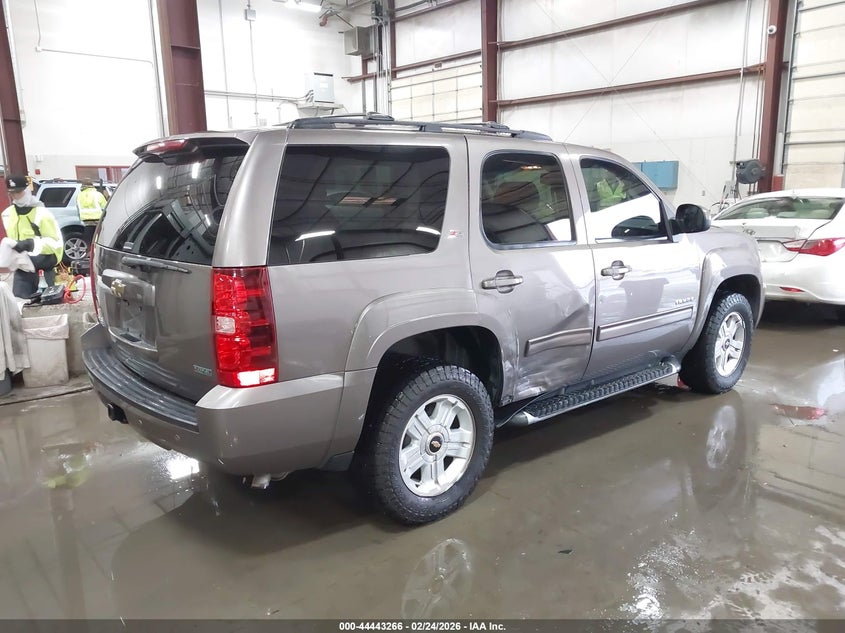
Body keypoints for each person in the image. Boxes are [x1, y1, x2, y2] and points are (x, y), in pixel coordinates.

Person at [1, 174, 64, 299]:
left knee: (47, 305)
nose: (16, 196)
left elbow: (56, 244)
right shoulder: (7, 214)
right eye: (12, 193)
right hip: (22, 269)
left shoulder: (42, 214)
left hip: (43, 266)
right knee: (20, 303)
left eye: (19, 192)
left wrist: (31, 244)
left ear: (27, 190)